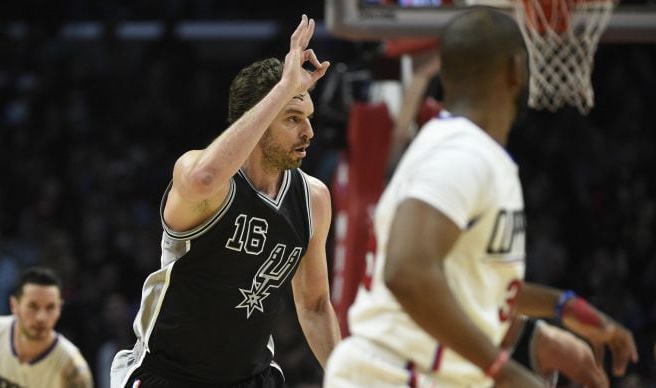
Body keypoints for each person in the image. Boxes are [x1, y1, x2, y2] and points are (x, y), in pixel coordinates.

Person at [324, 8, 637, 387]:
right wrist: (505, 372)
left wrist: (560, 308)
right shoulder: (462, 154)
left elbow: (471, 281)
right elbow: (406, 273)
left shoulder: (465, 150)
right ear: (515, 70)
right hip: (395, 375)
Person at [111, 14, 341, 388]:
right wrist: (282, 88)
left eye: (309, 117)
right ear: (258, 118)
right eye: (293, 118)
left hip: (252, 378)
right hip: (168, 377)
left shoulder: (313, 198)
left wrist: (348, 378)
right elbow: (205, 178)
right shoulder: (202, 175)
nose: (309, 132)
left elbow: (315, 306)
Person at [0, 267, 93, 388]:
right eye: (33, 306)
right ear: (14, 305)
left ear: (59, 309)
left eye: (50, 307)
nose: (41, 317)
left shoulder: (72, 370)